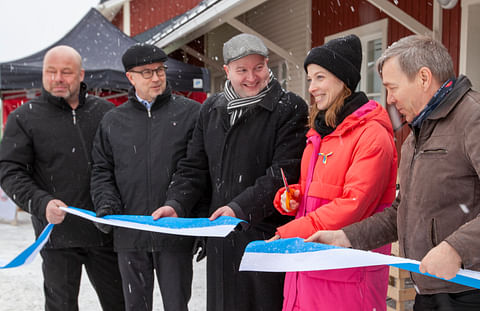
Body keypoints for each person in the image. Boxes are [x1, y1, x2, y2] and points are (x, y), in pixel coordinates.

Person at [307, 35, 480, 310]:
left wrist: (457, 248)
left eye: (392, 87)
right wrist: (347, 237)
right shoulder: (416, 136)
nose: (389, 99)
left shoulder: (473, 118)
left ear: (423, 78)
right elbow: (401, 212)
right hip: (430, 289)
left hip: (469, 290)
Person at [151, 33, 309, 311]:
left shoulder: (289, 107)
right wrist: (176, 204)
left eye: (258, 67)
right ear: (226, 71)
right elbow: (194, 166)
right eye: (242, 70)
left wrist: (239, 208)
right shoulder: (212, 109)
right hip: (221, 239)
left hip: (264, 236)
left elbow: (283, 172)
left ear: (267, 64)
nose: (252, 77)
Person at [268, 34, 398, 311]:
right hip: (308, 267)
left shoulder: (371, 135)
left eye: (320, 77)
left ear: (343, 80)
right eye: (310, 78)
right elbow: (319, 191)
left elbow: (354, 205)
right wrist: (293, 198)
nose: (312, 87)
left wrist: (291, 232)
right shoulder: (322, 133)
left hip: (347, 276)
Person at [0, 45, 124, 311]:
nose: (58, 78)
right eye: (51, 71)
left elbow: (125, 165)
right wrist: (40, 203)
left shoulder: (106, 113)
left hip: (105, 231)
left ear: (80, 74)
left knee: (120, 304)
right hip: (56, 235)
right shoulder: (24, 117)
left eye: (66, 72)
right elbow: (9, 170)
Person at [90, 43, 202, 311]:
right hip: (130, 234)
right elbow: (101, 170)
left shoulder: (190, 113)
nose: (156, 77)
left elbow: (196, 168)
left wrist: (178, 204)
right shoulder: (112, 120)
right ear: (130, 77)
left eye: (160, 70)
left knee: (177, 305)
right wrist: (107, 205)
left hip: (174, 232)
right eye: (147, 72)